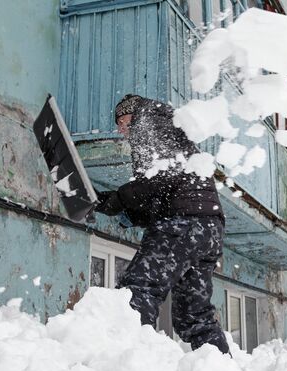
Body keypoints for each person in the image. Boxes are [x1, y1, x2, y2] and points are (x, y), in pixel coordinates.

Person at [95, 94, 230, 355]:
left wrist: (118, 199)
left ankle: (126, 369)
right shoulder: (170, 128)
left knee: (138, 290)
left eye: (122, 122)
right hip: (208, 229)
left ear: (133, 114)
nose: (121, 130)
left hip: (183, 224)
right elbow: (165, 190)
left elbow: (162, 178)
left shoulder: (149, 123)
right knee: (194, 314)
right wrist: (130, 214)